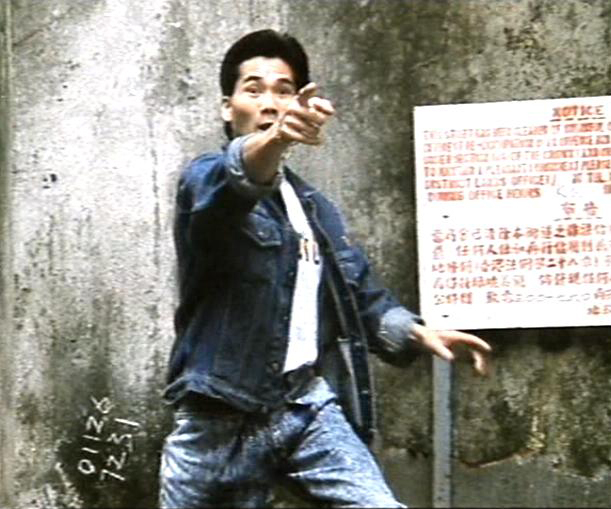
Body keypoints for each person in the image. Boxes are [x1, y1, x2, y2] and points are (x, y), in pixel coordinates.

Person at [159, 29, 491, 508]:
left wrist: (417, 332)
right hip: (219, 415)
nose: (270, 103)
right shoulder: (203, 180)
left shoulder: (315, 209)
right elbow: (235, 182)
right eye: (253, 90)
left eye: (284, 90)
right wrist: (275, 139)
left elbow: (359, 295)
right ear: (228, 108)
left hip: (304, 406)